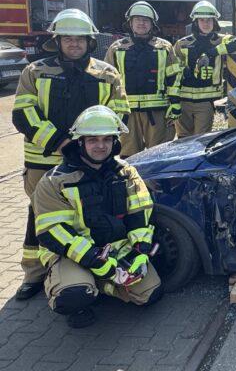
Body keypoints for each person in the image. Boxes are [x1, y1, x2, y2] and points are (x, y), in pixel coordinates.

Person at [12, 9, 129, 301]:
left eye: (79, 39)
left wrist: (99, 149)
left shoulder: (107, 73)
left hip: (93, 160)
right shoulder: (35, 71)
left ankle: (90, 269)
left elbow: (120, 113)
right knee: (39, 217)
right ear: (57, 41)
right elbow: (24, 113)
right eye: (67, 39)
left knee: (91, 210)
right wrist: (62, 144)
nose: (74, 44)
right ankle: (34, 274)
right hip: (45, 160)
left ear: (90, 41)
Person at [33, 106, 162, 328]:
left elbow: (140, 211)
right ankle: (77, 286)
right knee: (73, 297)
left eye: (107, 139)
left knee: (150, 294)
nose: (100, 146)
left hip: (115, 248)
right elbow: (53, 231)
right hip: (73, 254)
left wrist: (140, 249)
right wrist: (94, 259)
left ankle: (102, 285)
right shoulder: (55, 181)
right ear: (80, 142)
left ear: (115, 142)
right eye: (93, 140)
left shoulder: (126, 172)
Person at [104, 1, 181, 156]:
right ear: (130, 23)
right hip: (127, 114)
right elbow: (107, 82)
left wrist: (175, 105)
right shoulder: (117, 48)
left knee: (159, 155)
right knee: (127, 155)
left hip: (158, 112)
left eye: (145, 20)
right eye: (137, 19)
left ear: (152, 24)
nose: (141, 23)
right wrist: (109, 110)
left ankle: (155, 182)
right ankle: (130, 181)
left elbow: (174, 78)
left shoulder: (164, 47)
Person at [174, 1, 236, 137]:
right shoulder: (182, 43)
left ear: (215, 22)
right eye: (202, 20)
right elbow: (173, 69)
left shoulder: (221, 40)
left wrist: (212, 53)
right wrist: (189, 72)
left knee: (200, 139)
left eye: (209, 20)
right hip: (183, 100)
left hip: (205, 102)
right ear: (195, 22)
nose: (206, 24)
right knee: (182, 139)